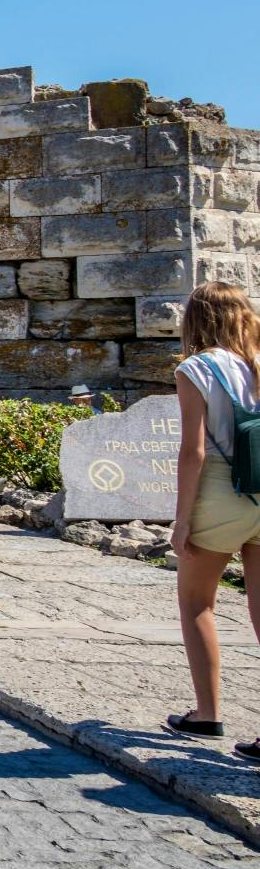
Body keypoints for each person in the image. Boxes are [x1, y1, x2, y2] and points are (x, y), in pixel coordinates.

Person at [164, 281, 260, 759]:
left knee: (198, 603)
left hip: (221, 491)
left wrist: (182, 519)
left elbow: (193, 452)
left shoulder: (196, 367)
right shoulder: (259, 362)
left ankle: (207, 714)